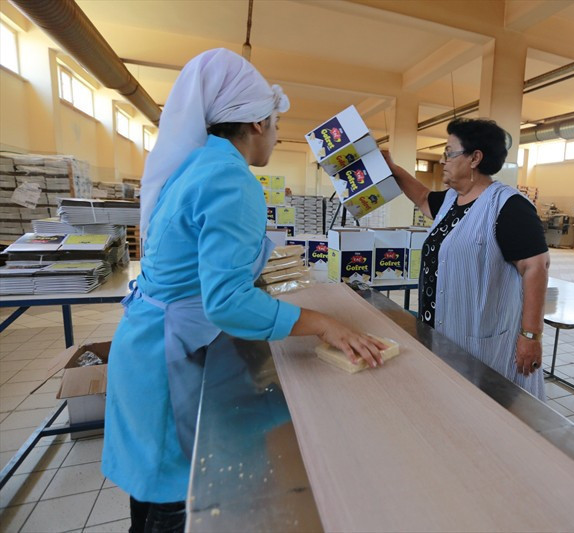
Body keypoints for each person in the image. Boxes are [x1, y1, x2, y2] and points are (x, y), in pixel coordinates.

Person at [102, 48, 386, 532]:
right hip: (171, 362)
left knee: (149, 499)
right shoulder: (231, 180)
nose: (277, 133)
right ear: (256, 123)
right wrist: (323, 323)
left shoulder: (194, 167)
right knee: (176, 502)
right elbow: (227, 300)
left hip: (145, 345)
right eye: (276, 122)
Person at [382, 118, 550, 400]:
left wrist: (531, 336)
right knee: (452, 402)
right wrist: (394, 170)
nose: (444, 161)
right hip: (442, 331)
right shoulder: (451, 200)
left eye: (449, 153)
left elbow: (536, 266)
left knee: (489, 408)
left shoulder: (508, 206)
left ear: (475, 158)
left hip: (483, 338)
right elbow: (423, 198)